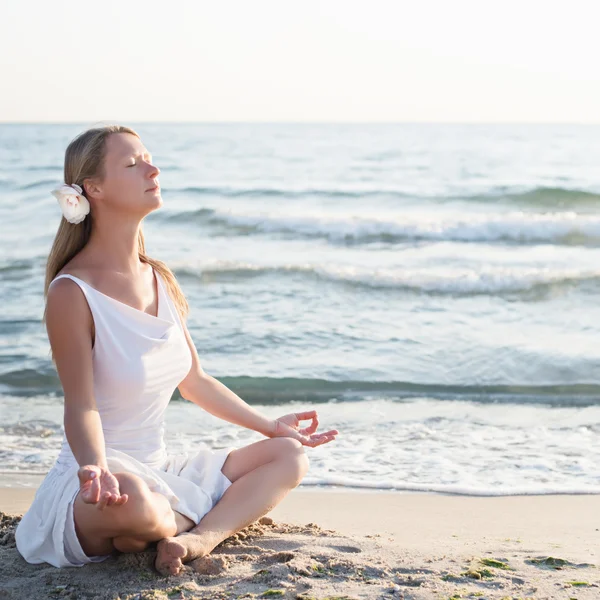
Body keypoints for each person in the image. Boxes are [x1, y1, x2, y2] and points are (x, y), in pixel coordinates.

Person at [14, 124, 339, 576]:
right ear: (94, 188)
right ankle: (167, 521)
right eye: (133, 163)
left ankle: (196, 538)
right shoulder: (72, 292)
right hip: (99, 483)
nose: (153, 168)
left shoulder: (160, 279)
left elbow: (196, 382)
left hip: (161, 469)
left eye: (148, 157)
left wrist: (271, 426)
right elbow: (81, 406)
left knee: (288, 455)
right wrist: (94, 468)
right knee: (135, 504)